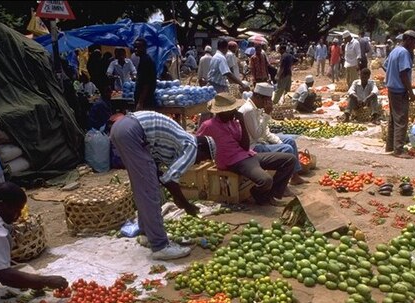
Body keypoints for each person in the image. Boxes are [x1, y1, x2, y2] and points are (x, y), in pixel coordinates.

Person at [109, 111, 216, 259]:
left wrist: (177, 197)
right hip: (132, 132)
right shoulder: (192, 146)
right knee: (150, 193)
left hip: (121, 128)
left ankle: (146, 233)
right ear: (202, 149)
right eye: (203, 158)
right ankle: (160, 246)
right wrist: (186, 204)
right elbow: (170, 180)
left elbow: (160, 175)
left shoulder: (176, 144)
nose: (198, 162)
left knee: (144, 188)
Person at [197, 93, 295, 206]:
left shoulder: (233, 123)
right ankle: (258, 195)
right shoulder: (208, 125)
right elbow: (197, 141)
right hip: (233, 161)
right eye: (231, 110)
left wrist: (242, 123)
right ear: (221, 112)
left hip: (248, 155)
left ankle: (271, 194)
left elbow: (244, 146)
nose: (234, 112)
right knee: (265, 180)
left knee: (289, 160)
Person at [239, 82, 308, 185]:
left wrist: (278, 141)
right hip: (253, 146)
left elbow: (265, 131)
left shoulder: (256, 108)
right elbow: (257, 135)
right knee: (287, 149)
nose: (269, 103)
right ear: (258, 97)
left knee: (290, 141)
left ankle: (295, 176)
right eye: (266, 100)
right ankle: (281, 185)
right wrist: (267, 114)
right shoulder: (248, 110)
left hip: (261, 139)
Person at [383, 30, 415, 158]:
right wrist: (410, 92)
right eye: (414, 41)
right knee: (401, 120)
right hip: (399, 90)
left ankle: (390, 146)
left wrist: (391, 76)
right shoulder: (404, 53)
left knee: (393, 118)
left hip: (391, 89)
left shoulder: (395, 50)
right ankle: (398, 150)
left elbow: (385, 65)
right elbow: (404, 74)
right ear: (408, 40)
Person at [133, 37, 156, 111]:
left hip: (146, 101)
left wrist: (140, 102)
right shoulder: (143, 59)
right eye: (135, 47)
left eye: (138, 47)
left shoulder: (145, 61)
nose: (136, 49)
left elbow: (146, 84)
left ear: (144, 48)